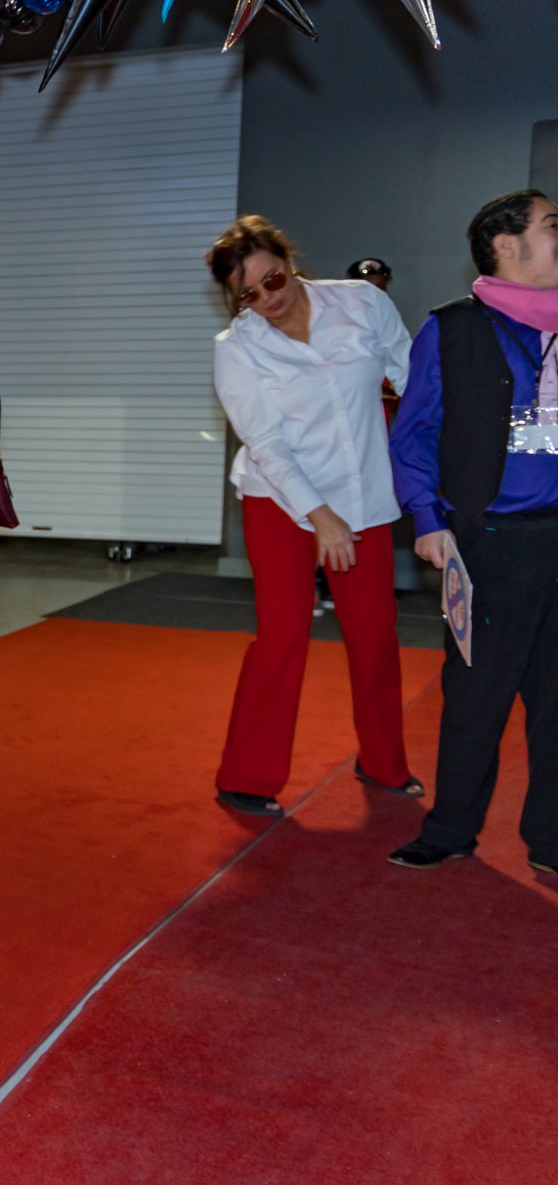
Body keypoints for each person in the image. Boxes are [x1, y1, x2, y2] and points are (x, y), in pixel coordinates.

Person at [207, 215, 419, 817]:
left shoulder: (362, 305)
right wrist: (322, 517)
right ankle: (247, 777)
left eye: (272, 279)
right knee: (282, 635)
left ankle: (384, 762)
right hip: (279, 500)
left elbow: (413, 379)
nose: (267, 299)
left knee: (375, 634)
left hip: (363, 495)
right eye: (248, 294)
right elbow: (267, 444)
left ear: (290, 260)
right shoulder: (237, 348)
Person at [387, 189, 558, 874]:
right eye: (552, 225)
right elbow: (412, 435)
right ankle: (451, 829)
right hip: (490, 542)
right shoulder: (452, 330)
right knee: (474, 699)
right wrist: (427, 519)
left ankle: (551, 841)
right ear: (507, 246)